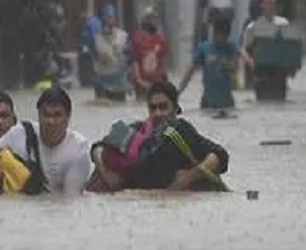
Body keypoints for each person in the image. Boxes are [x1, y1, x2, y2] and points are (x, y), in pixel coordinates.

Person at [88, 81, 230, 193]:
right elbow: (98, 147)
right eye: (153, 108)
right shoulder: (137, 130)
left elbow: (220, 155)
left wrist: (189, 177)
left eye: (163, 107)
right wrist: (106, 172)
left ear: (175, 109)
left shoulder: (182, 133)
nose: (157, 113)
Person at [0, 86, 92, 195]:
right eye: (46, 115)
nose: (51, 122)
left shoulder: (79, 150)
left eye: (57, 115)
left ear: (68, 117)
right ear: (38, 115)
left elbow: (70, 201)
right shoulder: (21, 132)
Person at [179, 17, 239, 111]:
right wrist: (178, 93)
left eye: (226, 37)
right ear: (216, 33)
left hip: (226, 101)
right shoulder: (203, 48)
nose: (224, 40)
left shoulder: (230, 47)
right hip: (207, 101)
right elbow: (190, 71)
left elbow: (235, 66)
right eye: (222, 37)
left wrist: (225, 66)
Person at [240, 0, 291, 100]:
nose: (271, 6)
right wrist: (250, 62)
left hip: (279, 73)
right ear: (262, 5)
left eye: (273, 3)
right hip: (261, 74)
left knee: (280, 103)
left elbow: (290, 47)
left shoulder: (283, 23)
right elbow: (243, 49)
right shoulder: (252, 27)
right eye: (268, 2)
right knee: (263, 102)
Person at [93, 3, 131, 102]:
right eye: (107, 17)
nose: (109, 20)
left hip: (119, 83)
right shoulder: (96, 38)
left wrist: (129, 82)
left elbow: (129, 59)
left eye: (111, 17)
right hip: (102, 82)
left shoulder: (123, 36)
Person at [129, 8, 168, 100]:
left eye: (154, 18)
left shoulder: (161, 40)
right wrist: (139, 80)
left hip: (157, 82)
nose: (153, 21)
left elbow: (164, 61)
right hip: (142, 83)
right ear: (144, 20)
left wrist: (164, 79)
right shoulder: (137, 39)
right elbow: (134, 61)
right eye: (150, 18)